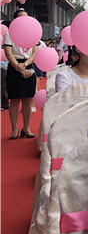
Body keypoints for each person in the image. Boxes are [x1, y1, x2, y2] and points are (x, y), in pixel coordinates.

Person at [3, 9, 39, 139]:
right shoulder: (9, 34)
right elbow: (8, 53)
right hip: (14, 66)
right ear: (15, 20)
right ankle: (14, 129)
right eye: (21, 17)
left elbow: (35, 53)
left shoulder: (33, 34)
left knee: (28, 100)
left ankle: (26, 128)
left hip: (28, 66)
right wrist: (19, 67)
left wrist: (25, 65)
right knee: (14, 100)